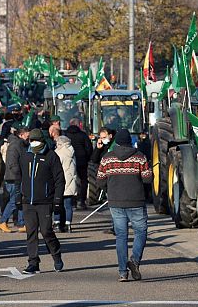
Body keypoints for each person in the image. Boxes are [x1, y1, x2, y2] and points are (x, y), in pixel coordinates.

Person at [97, 129, 152, 281]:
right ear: (129, 141)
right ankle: (134, 260)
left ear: (117, 142)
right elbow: (147, 179)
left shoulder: (107, 158)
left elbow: (100, 180)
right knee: (140, 232)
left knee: (121, 236)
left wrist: (111, 187)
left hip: (116, 202)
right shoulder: (140, 157)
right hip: (136, 201)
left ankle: (122, 272)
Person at [18, 128, 65, 274]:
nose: (33, 143)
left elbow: (59, 180)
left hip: (45, 201)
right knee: (31, 232)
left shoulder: (51, 156)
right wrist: (18, 197)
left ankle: (56, 255)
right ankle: (33, 262)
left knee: (46, 231)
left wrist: (57, 199)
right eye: (31, 140)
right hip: (28, 201)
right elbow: (19, 178)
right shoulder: (25, 156)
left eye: (36, 140)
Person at [0, 127, 29, 233]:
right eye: (26, 135)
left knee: (19, 200)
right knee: (14, 201)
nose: (28, 137)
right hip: (14, 178)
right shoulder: (15, 146)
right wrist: (20, 174)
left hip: (17, 177)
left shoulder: (20, 145)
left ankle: (21, 223)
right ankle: (3, 222)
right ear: (21, 135)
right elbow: (12, 163)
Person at [65, 118, 93, 209]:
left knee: (70, 179)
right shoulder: (83, 135)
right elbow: (89, 148)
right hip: (82, 160)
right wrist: (87, 158)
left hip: (69, 160)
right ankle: (81, 201)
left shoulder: (65, 135)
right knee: (83, 180)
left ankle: (72, 200)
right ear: (78, 125)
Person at [55, 135, 78, 232]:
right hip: (70, 182)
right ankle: (68, 224)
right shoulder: (71, 151)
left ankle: (56, 223)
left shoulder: (59, 153)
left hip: (60, 182)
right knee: (68, 206)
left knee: (57, 204)